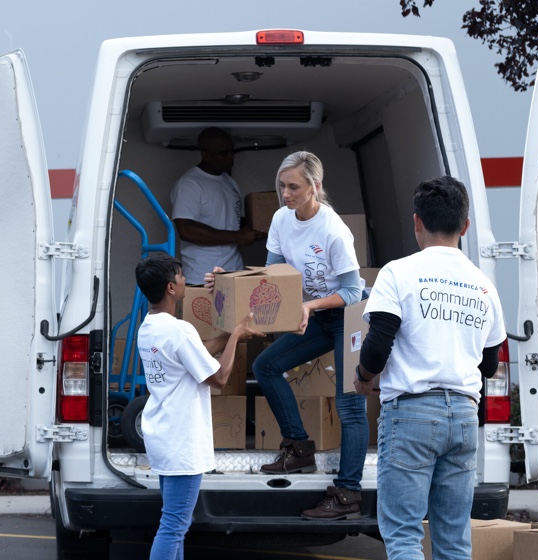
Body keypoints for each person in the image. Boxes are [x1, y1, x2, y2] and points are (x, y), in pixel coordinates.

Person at [205, 151, 368, 520]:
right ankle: (299, 448)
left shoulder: (333, 231)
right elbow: (272, 274)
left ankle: (347, 495)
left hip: (348, 317)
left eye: (294, 186)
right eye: (282, 185)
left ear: (315, 187)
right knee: (267, 366)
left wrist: (310, 306)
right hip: (315, 316)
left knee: (350, 407)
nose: (285, 193)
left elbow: (353, 292)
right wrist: (226, 279)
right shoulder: (281, 219)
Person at [354, 176, 506, 560]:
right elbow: (489, 364)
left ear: (416, 222)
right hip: (464, 418)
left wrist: (363, 378)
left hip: (412, 415)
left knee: (404, 534)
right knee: (453, 538)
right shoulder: (483, 285)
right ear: (465, 226)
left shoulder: (398, 273)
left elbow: (378, 343)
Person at [135, 253, 263, 560]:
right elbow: (219, 377)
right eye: (180, 277)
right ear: (170, 288)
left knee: (177, 522)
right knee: (174, 525)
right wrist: (237, 336)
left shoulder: (149, 328)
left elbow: (197, 353)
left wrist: (229, 336)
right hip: (182, 441)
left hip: (164, 436)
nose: (184, 282)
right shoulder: (179, 330)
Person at [170, 127, 264, 285]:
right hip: (202, 277)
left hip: (234, 273)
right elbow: (185, 229)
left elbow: (230, 221)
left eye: (232, 152)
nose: (231, 157)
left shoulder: (229, 181)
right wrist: (237, 236)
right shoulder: (189, 184)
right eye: (224, 153)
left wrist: (256, 228)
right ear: (205, 154)